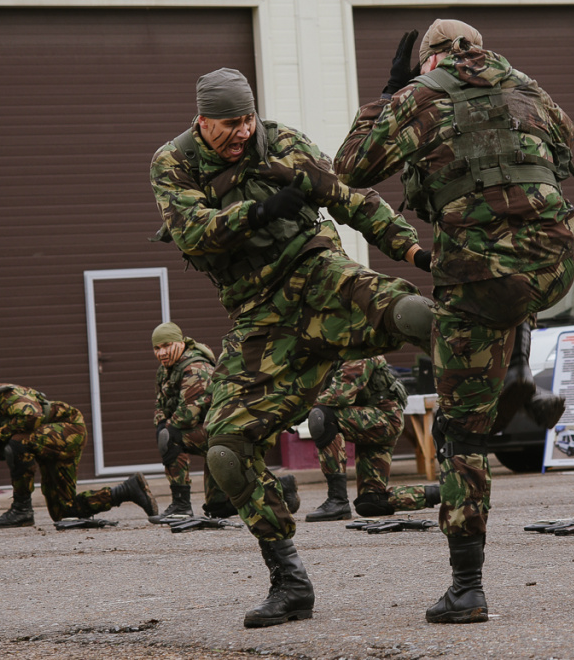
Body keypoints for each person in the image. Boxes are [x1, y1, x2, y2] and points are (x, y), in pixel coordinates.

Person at [149, 68, 434, 628]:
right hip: (260, 318)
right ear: (203, 121)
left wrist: (416, 253)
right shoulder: (173, 164)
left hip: (317, 274)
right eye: (230, 124)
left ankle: (500, 365)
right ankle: (290, 581)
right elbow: (193, 230)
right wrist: (258, 211)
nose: (242, 132)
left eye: (248, 119)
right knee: (226, 447)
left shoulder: (281, 142)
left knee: (407, 310)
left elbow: (350, 198)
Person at [333, 20, 574, 623]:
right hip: (557, 264)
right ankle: (518, 370)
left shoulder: (419, 96)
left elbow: (351, 168)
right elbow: (565, 147)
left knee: (462, 437)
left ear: (429, 60)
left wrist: (388, 98)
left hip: (477, 278)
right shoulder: (526, 85)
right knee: (512, 285)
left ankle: (467, 587)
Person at [0, 384, 159, 529]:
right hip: (46, 443)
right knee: (64, 513)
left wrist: (1, 433)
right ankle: (128, 490)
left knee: (16, 443)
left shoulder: (4, 397)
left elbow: (32, 414)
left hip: (67, 429)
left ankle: (21, 509)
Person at [151, 321, 300, 522]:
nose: (162, 353)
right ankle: (280, 488)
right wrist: (160, 422)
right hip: (209, 431)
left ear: (180, 343)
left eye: (167, 346)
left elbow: (188, 415)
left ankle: (181, 505)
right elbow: (160, 404)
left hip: (224, 432)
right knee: (218, 508)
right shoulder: (166, 370)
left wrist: (166, 429)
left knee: (171, 437)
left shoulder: (195, 367)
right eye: (157, 348)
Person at [305, 356, 439, 522]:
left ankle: (337, 501)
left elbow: (339, 396)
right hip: (369, 420)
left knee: (322, 417)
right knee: (371, 502)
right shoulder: (333, 356)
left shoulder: (361, 351)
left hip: (384, 420)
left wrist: (301, 410)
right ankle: (444, 492)